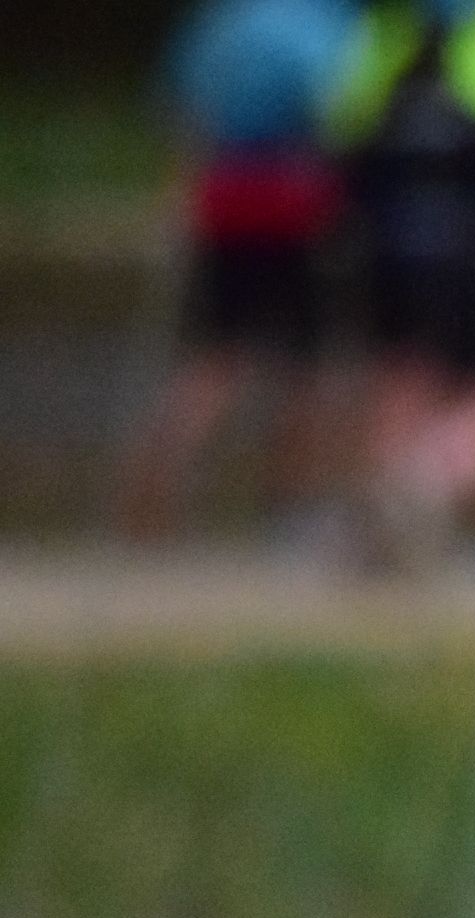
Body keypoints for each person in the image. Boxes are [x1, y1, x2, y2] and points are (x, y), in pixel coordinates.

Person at [118, 0, 357, 541]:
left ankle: (157, 478)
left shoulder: (217, 24)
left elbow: (179, 108)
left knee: (215, 354)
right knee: (304, 365)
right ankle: (290, 503)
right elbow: (340, 114)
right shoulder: (321, 27)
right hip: (294, 200)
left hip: (221, 195)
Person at [325, 0, 475, 564]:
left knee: (399, 381)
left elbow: (346, 146)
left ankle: (393, 501)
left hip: (391, 248)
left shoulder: (380, 36)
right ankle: (429, 500)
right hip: (468, 252)